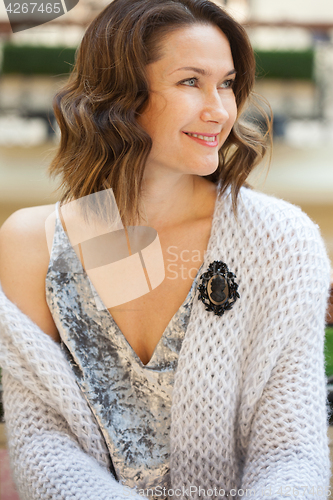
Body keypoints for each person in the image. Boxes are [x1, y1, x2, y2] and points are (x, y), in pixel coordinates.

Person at [0, 0, 331, 499]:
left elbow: (291, 451)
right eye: (190, 82)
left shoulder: (281, 238)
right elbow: (42, 442)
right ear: (120, 95)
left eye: (226, 83)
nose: (220, 110)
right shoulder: (31, 243)